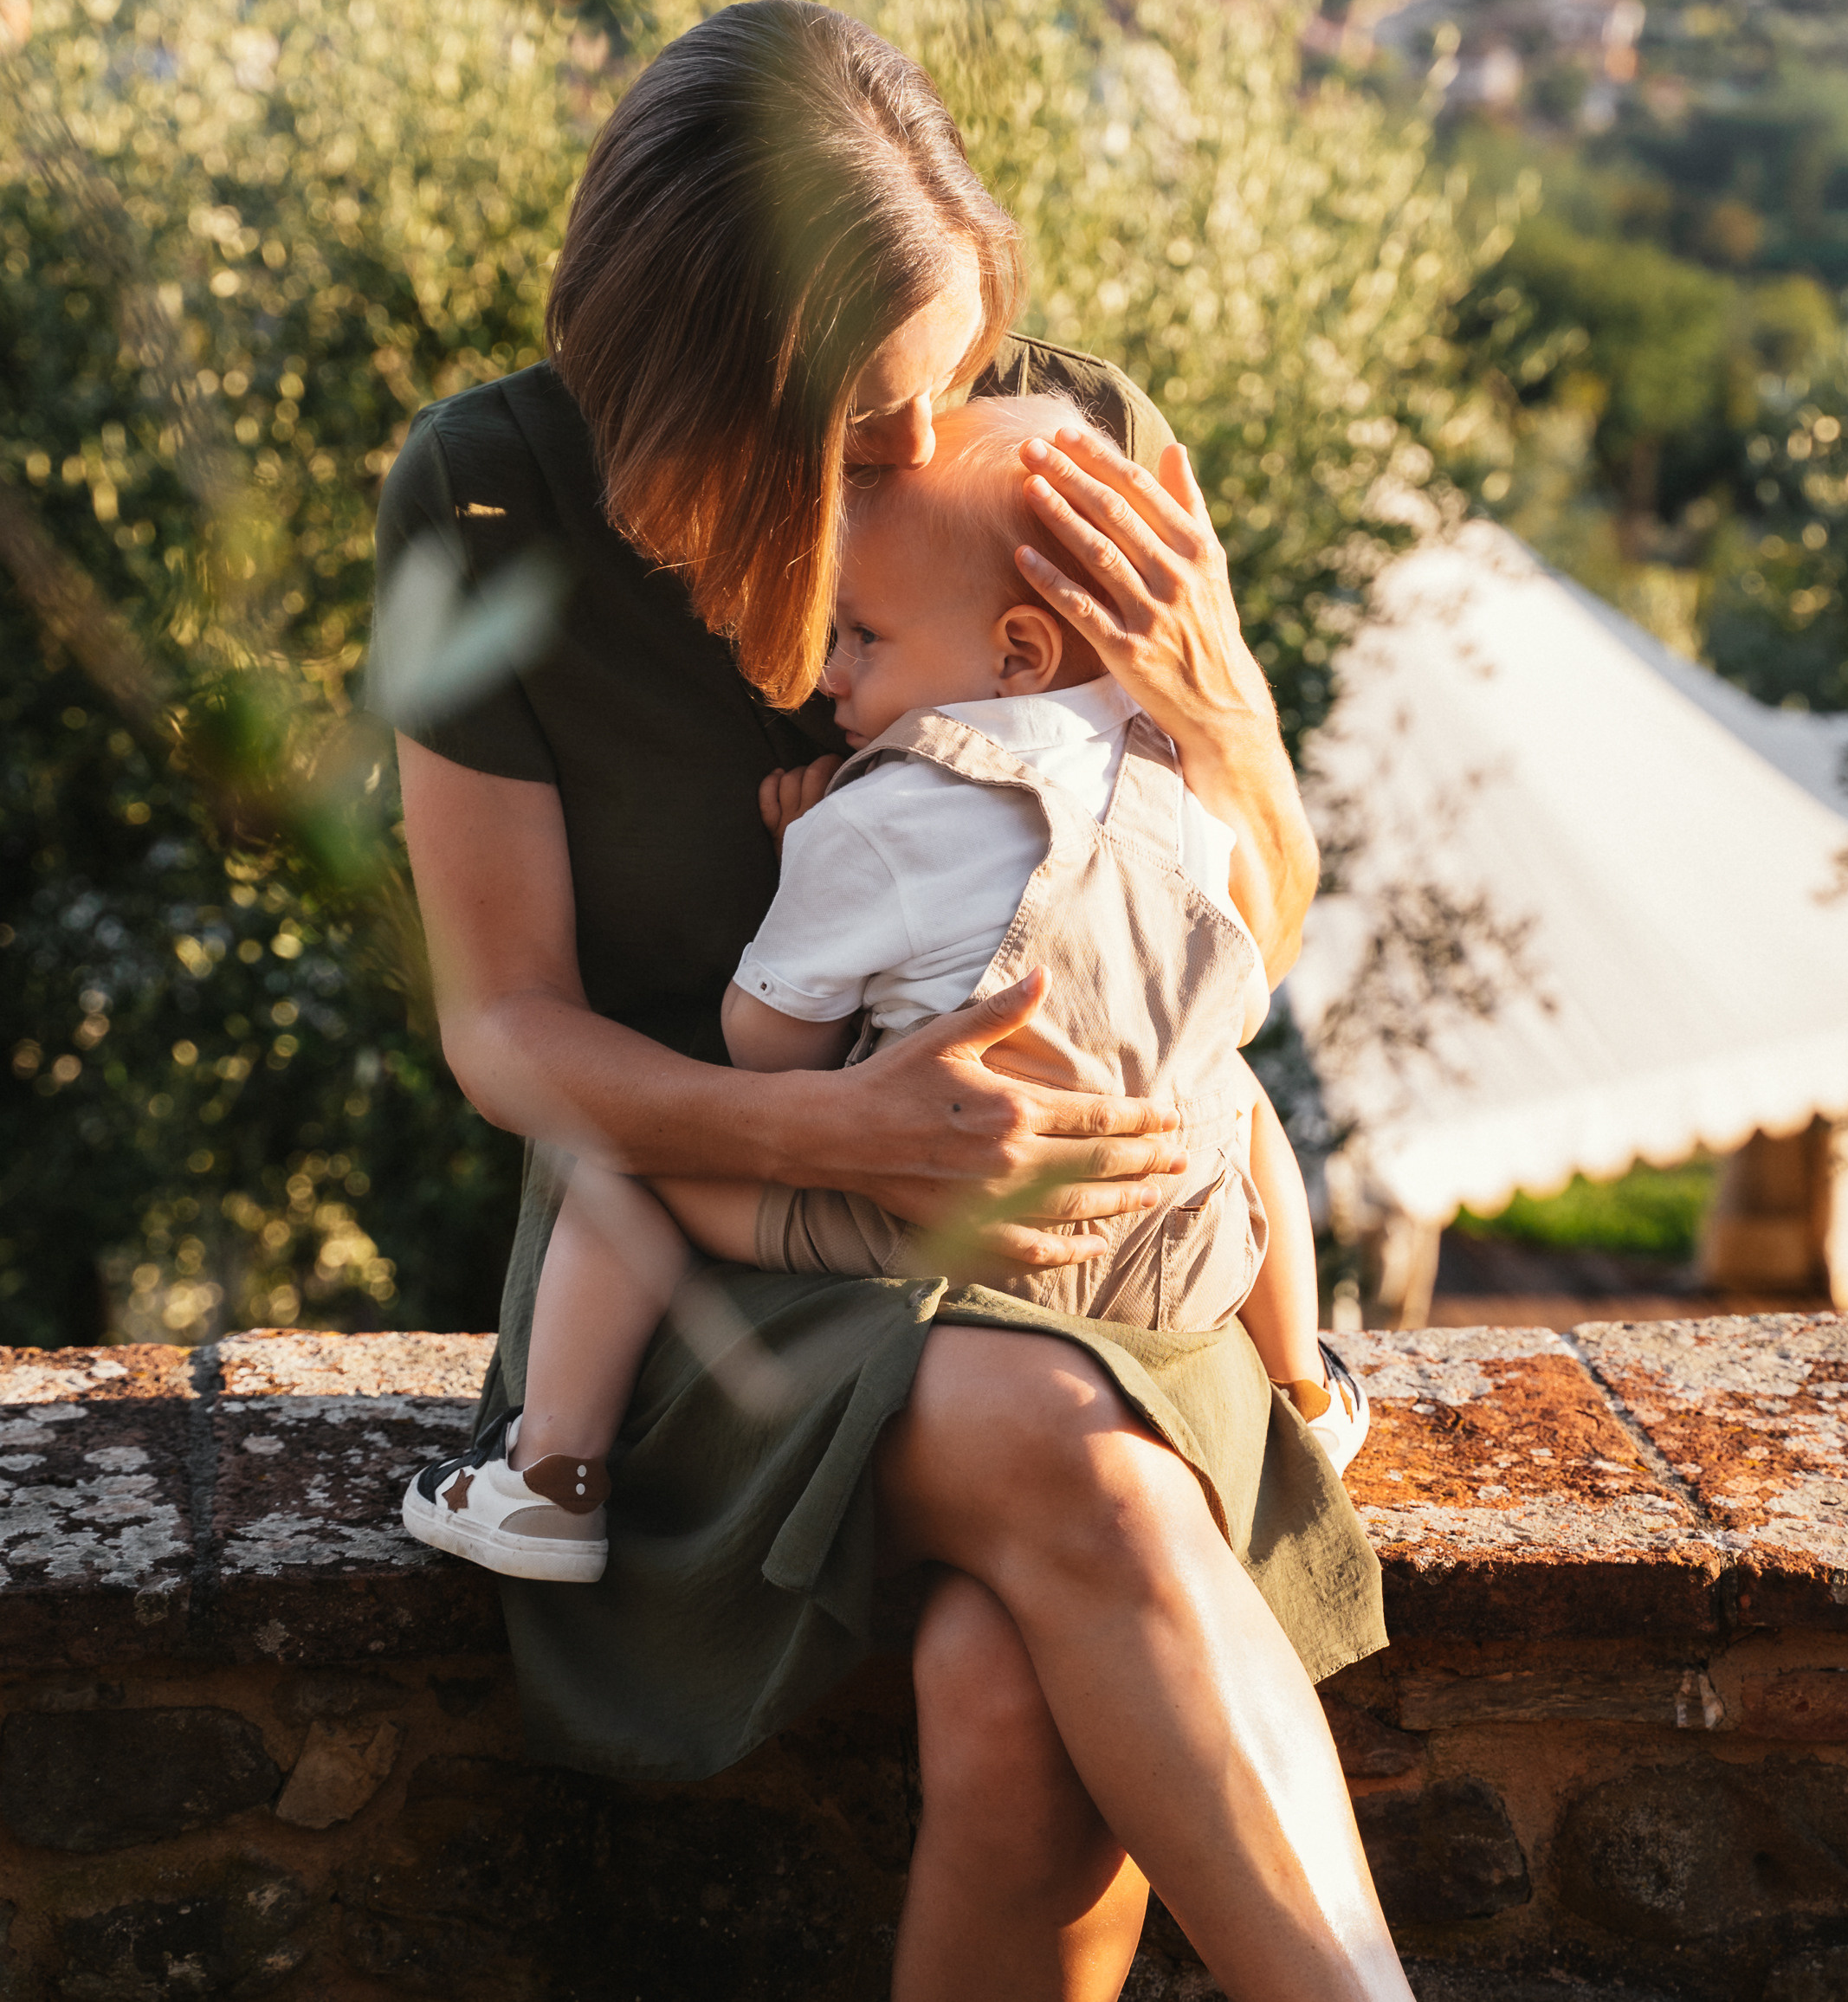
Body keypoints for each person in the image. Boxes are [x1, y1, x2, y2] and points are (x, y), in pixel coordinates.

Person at [376, 0, 1412, 2002]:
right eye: (862, 433)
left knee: (1011, 1699)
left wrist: (1225, 714)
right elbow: (504, 1029)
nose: (925, 462)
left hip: (1098, 1237)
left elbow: (1233, 937)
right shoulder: (488, 502)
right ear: (690, 400)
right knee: (1069, 1460)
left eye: (942, 393)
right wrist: (823, 1129)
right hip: (694, 1243)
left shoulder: (1065, 452)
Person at [403, 395, 1367, 1581]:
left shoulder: (879, 818)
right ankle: (1305, 1391)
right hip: (1169, 1246)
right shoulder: (1171, 775)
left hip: (946, 1234)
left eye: (861, 634)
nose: (826, 671)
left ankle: (547, 1481)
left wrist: (807, 871)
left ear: (1015, 649)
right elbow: (1239, 980)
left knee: (611, 1159)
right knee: (1234, 1090)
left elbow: (767, 1054)